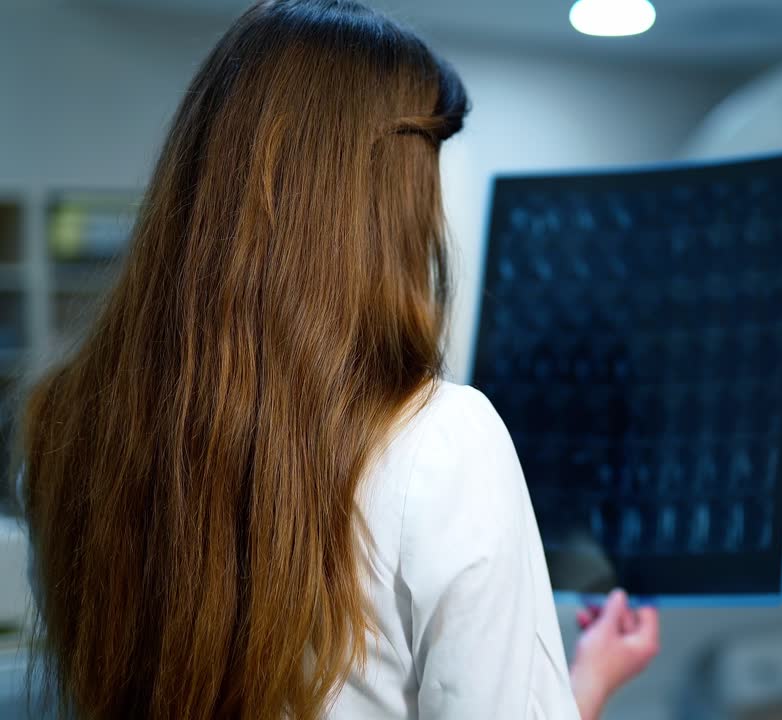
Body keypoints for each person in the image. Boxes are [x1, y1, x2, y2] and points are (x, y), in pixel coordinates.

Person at [15, 1, 658, 718]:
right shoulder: (443, 444)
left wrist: (572, 683)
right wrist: (577, 690)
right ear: (384, 202)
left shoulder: (65, 434)